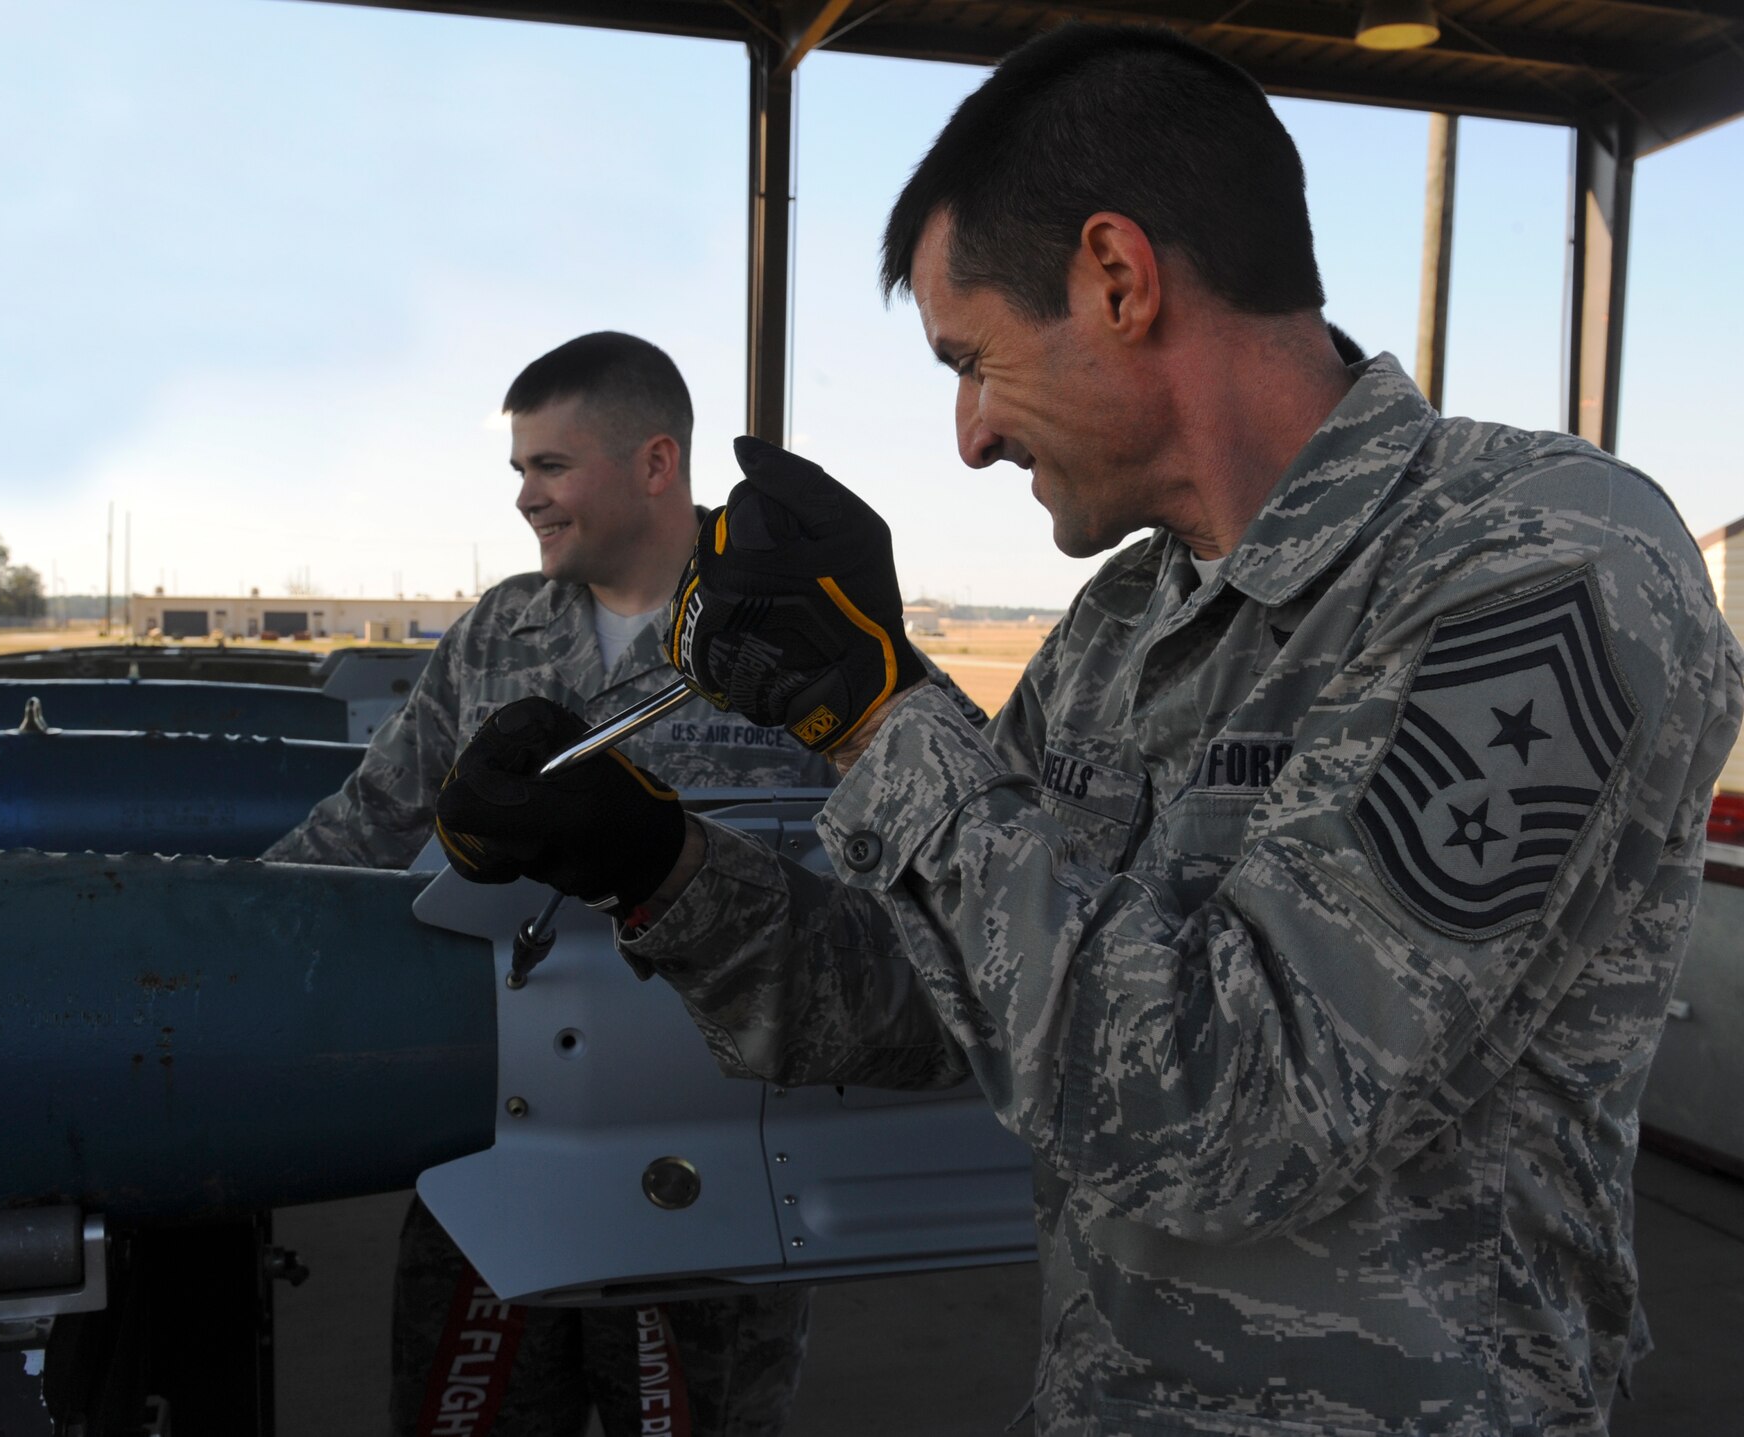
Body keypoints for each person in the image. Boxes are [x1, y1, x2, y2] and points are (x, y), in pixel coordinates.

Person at [429, 24, 1744, 1437]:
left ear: (1118, 279)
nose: (970, 436)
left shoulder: (1542, 561)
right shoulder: (1131, 619)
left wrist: (883, 714)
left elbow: (1232, 1115)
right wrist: (656, 865)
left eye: (974, 359)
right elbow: (946, 994)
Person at [266, 331, 836, 1436]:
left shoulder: (793, 640)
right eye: (520, 468)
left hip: (706, 1152)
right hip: (497, 1137)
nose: (525, 495)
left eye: (551, 466)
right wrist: (210, 929)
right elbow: (367, 822)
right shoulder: (496, 634)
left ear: (656, 463)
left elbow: (911, 850)